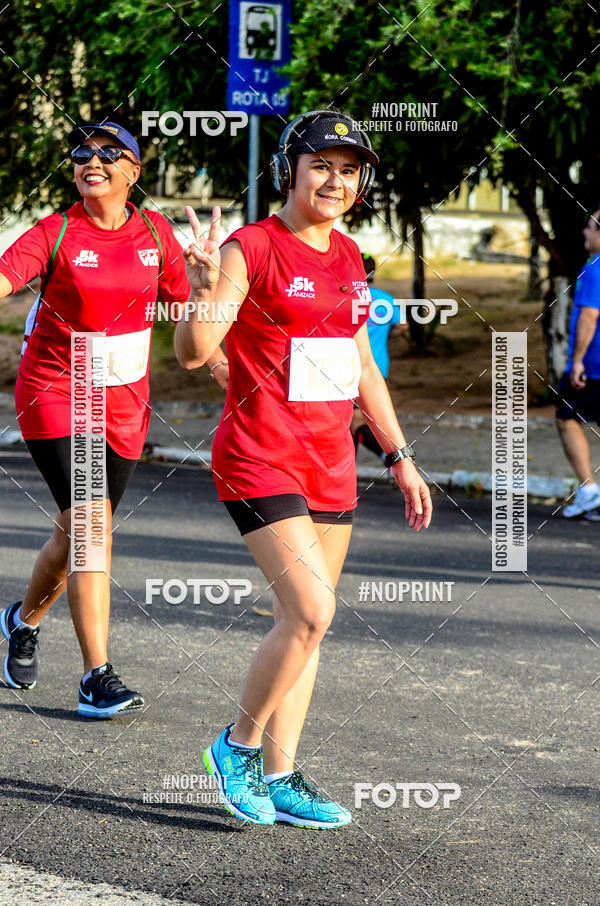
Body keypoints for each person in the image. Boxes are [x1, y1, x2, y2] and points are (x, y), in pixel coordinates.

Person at [175, 109, 432, 828]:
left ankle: (282, 775)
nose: (336, 180)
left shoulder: (350, 257)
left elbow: (360, 369)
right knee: (313, 610)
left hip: (331, 462)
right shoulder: (250, 247)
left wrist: (400, 455)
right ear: (291, 168)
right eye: (322, 164)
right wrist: (203, 285)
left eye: (350, 170)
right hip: (260, 455)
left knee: (306, 624)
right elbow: (193, 354)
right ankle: (237, 747)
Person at [0, 121, 225, 716]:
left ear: (134, 171)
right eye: (81, 152)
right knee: (93, 526)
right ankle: (95, 678)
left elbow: (188, 313)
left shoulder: (155, 232)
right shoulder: (55, 232)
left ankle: (21, 622)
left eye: (108, 153)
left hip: (124, 403)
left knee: (73, 531)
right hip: (55, 389)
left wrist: (216, 337)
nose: (90, 161)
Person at [555, 208, 600, 518]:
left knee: (565, 416)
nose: (584, 233)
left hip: (594, 365)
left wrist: (577, 361)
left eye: (590, 227)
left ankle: (588, 490)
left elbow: (588, 315)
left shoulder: (595, 268)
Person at [352, 253, 408, 462]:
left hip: (349, 367)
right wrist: (386, 335)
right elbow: (402, 325)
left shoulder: (348, 296)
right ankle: (388, 456)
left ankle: (387, 456)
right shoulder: (384, 298)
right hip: (379, 367)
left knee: (353, 420)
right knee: (359, 419)